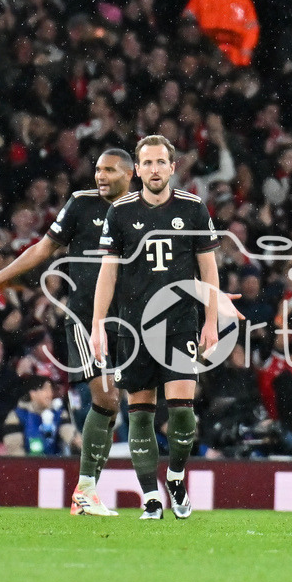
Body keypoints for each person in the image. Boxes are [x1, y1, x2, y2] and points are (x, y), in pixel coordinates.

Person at [0, 149, 134, 517]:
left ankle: (115, 490)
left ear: (130, 173)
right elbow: (43, 248)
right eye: (97, 169)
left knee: (123, 404)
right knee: (106, 399)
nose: (101, 175)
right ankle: (86, 490)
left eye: (109, 170)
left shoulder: (146, 209)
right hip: (86, 318)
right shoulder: (81, 204)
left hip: (130, 321)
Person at [91, 134, 224, 520]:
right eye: (146, 163)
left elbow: (208, 268)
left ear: (172, 166)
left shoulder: (194, 209)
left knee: (183, 412)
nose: (153, 169)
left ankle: (177, 476)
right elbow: (108, 272)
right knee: (141, 412)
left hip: (181, 324)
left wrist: (211, 320)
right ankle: (151, 496)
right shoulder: (120, 212)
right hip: (133, 329)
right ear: (137, 169)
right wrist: (99, 324)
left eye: (159, 163)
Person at [2, 375, 79, 456]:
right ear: (33, 393)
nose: (50, 394)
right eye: (45, 389)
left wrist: (78, 442)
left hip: (55, 464)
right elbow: (14, 449)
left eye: (50, 390)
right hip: (27, 464)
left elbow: (69, 433)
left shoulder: (59, 413)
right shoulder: (16, 416)